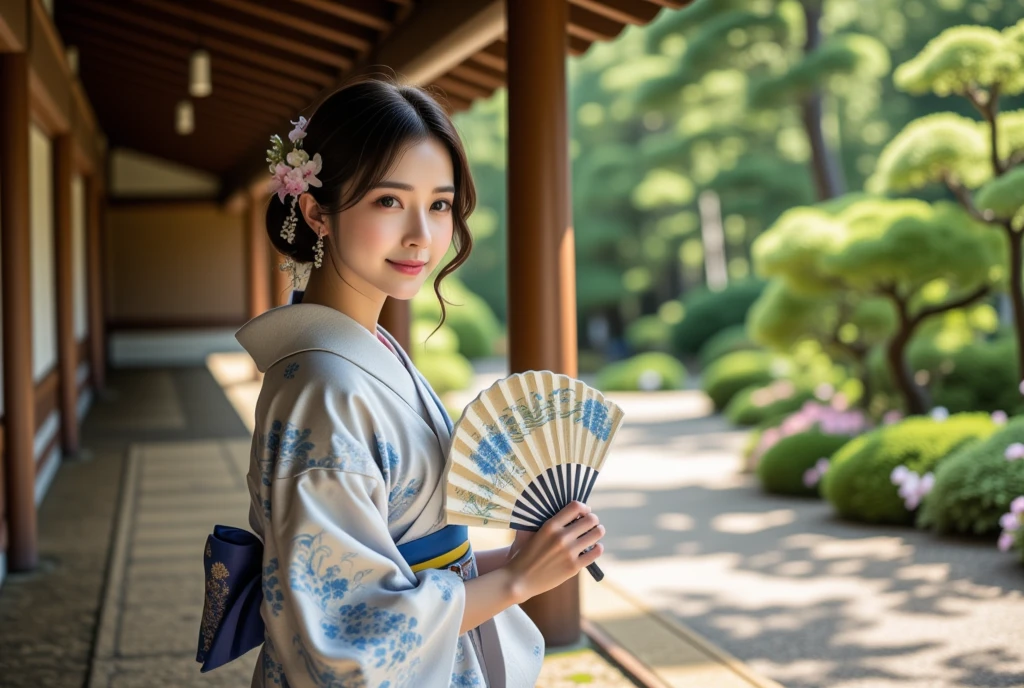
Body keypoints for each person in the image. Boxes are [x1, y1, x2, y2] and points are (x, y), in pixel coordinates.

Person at [196, 76, 605, 688]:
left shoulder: (370, 348)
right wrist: (518, 584)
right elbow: (346, 631)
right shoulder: (323, 388)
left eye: (439, 204)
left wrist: (520, 558)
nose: (422, 234)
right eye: (389, 201)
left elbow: (404, 559)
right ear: (316, 210)